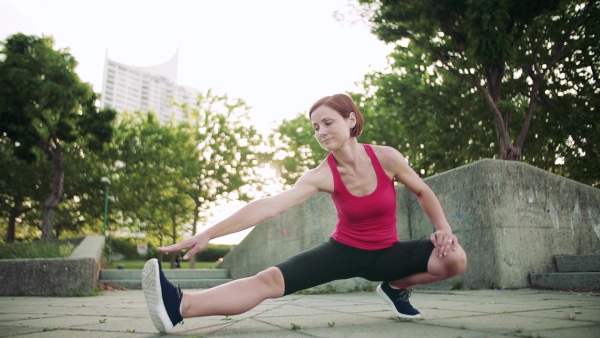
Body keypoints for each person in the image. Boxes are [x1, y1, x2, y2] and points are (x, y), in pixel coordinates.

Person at [141, 93, 468, 333]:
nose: (321, 131)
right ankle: (180, 305)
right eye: (315, 127)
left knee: (454, 259)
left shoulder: (387, 158)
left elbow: (422, 190)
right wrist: (210, 233)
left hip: (387, 254)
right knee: (269, 280)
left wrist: (443, 228)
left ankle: (394, 287)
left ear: (351, 119)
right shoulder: (321, 174)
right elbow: (269, 205)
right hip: (344, 252)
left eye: (328, 122)